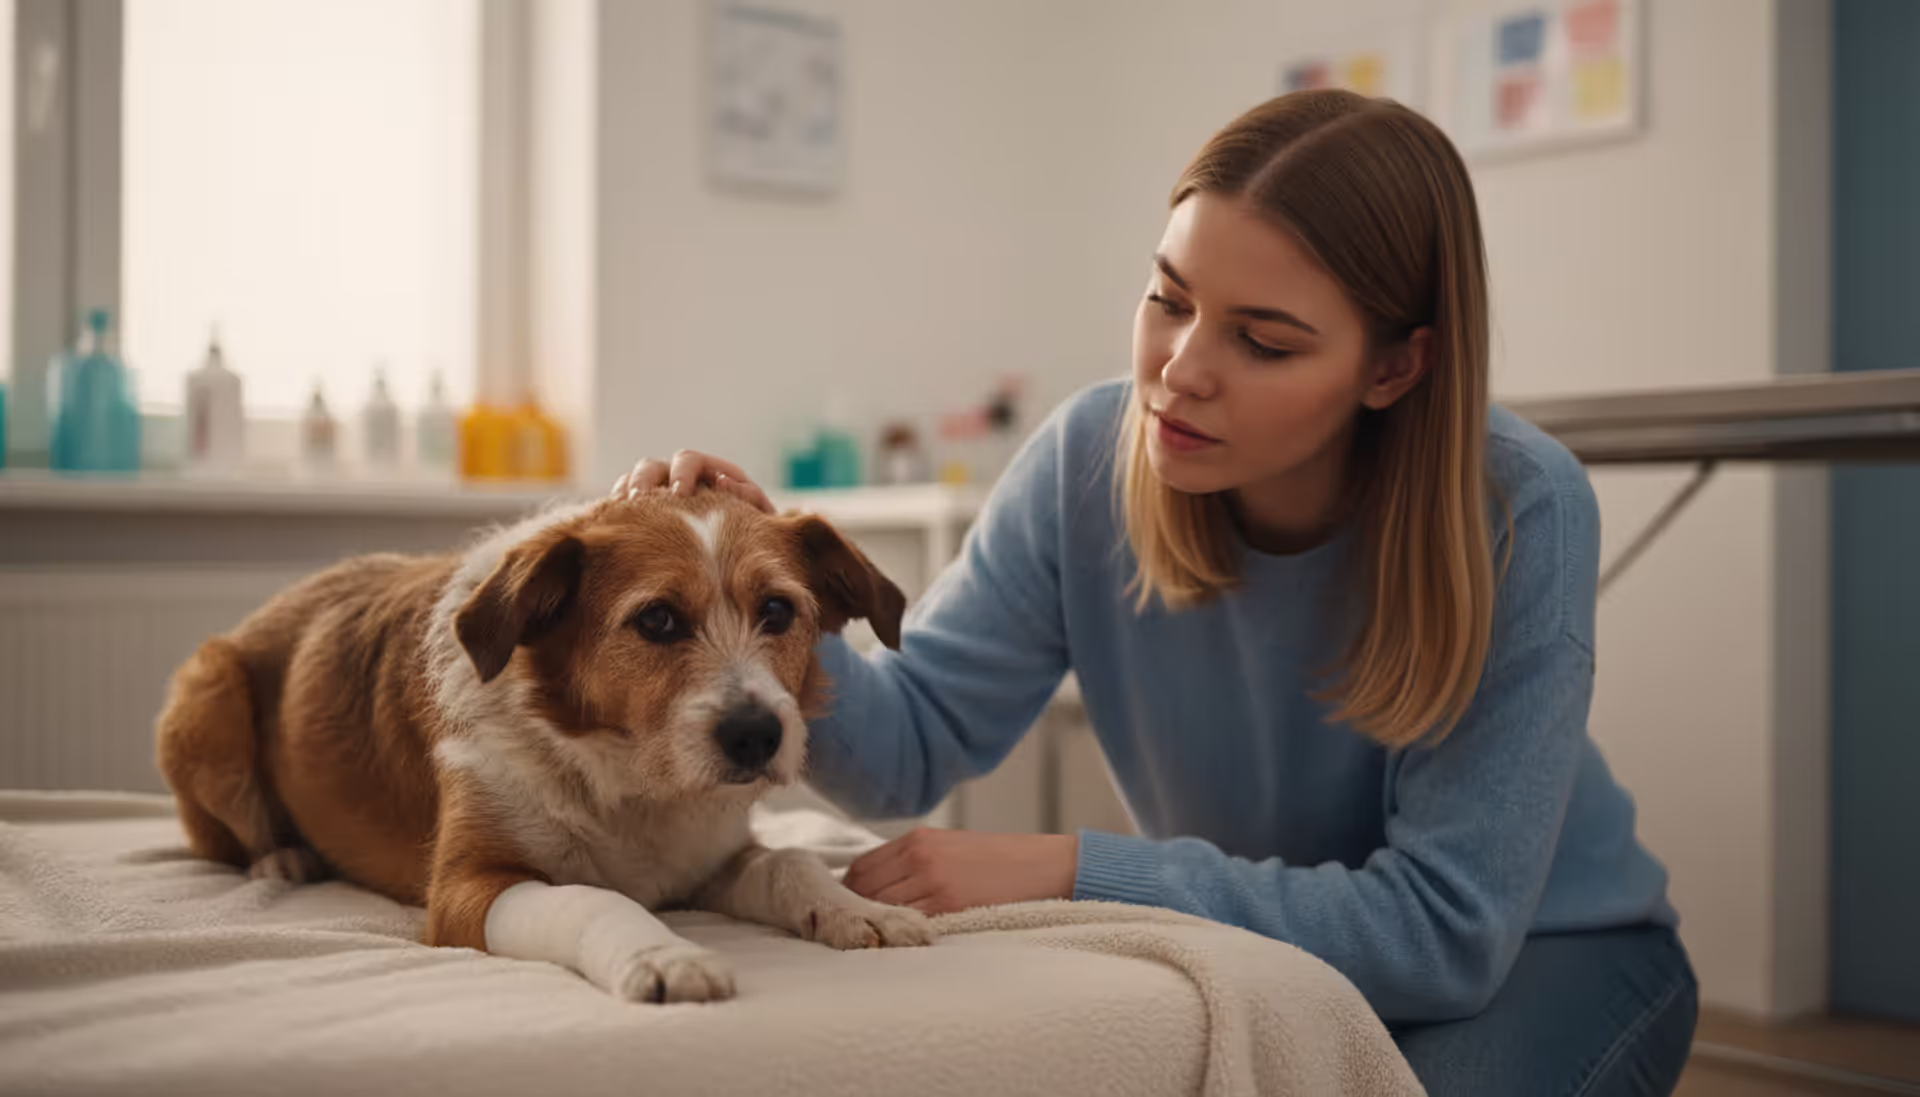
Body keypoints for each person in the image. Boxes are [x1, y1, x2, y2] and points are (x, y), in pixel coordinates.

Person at [610, 89, 1697, 1096]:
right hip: (1258, 951)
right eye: (1167, 300)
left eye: (1262, 340)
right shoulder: (1090, 455)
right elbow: (906, 748)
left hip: (1552, 952)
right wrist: (778, 607)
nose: (1180, 369)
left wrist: (1071, 866)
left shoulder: (1520, 507)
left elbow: (1445, 936)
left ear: (1393, 370)